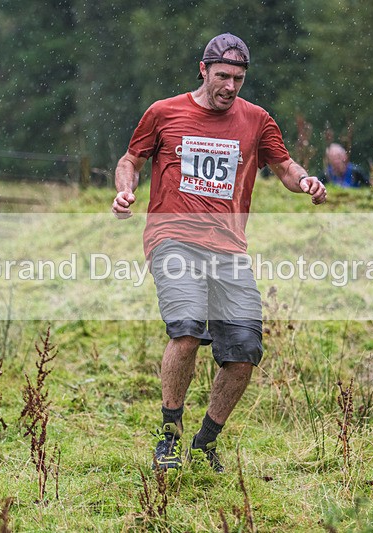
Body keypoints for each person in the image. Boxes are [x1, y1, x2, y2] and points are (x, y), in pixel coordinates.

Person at [112, 33, 326, 473]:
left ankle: (205, 441)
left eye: (239, 79)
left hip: (228, 249)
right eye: (223, 76)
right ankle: (168, 438)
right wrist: (124, 192)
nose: (231, 86)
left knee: (245, 349)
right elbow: (130, 160)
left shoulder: (257, 120)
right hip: (172, 237)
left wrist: (306, 181)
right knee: (188, 329)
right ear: (203, 70)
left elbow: (284, 166)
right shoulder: (164, 112)